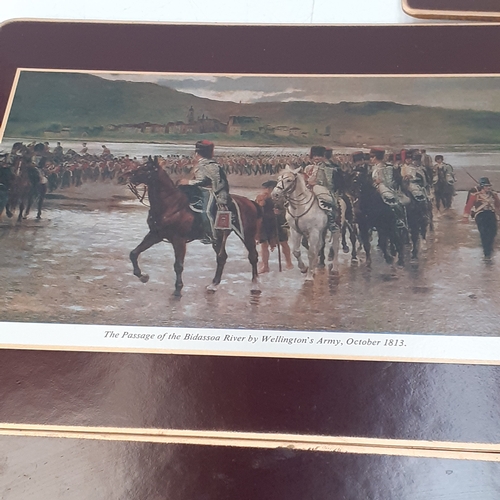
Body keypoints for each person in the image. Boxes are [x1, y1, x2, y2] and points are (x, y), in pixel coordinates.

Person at [178, 140, 232, 243]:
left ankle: (212, 235)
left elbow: (204, 181)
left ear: (197, 153)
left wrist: (188, 182)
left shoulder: (209, 165)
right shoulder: (200, 164)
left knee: (206, 211)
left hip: (213, 191)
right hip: (202, 190)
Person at [255, 180, 293, 273]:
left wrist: (279, 212)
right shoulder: (261, 197)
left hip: (278, 222)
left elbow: (287, 208)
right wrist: (260, 205)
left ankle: (289, 263)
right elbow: (256, 209)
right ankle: (265, 266)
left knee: (283, 242)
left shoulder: (279, 198)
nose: (265, 190)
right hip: (265, 223)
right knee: (264, 245)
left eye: (267, 189)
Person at [463, 177, 500, 259]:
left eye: (489, 186)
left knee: (493, 232)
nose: (488, 188)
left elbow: (498, 205)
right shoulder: (475, 196)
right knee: (484, 233)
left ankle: (489, 246)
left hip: (491, 213)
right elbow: (468, 206)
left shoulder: (493, 194)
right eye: (486, 186)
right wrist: (466, 216)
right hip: (480, 215)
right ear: (482, 187)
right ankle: (486, 251)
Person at [304, 145, 339, 231]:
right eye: (315, 156)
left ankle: (331, 221)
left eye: (319, 156)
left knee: (327, 201)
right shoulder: (308, 168)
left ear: (323, 156)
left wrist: (317, 184)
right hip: (308, 189)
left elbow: (329, 182)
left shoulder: (327, 168)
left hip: (322, 189)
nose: (317, 158)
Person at [370, 147, 407, 228]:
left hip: (387, 188)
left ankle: (398, 219)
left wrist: (378, 183)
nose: (371, 159)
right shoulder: (373, 168)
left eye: (371, 157)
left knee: (390, 198)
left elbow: (391, 180)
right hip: (376, 188)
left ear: (375, 157)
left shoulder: (388, 167)